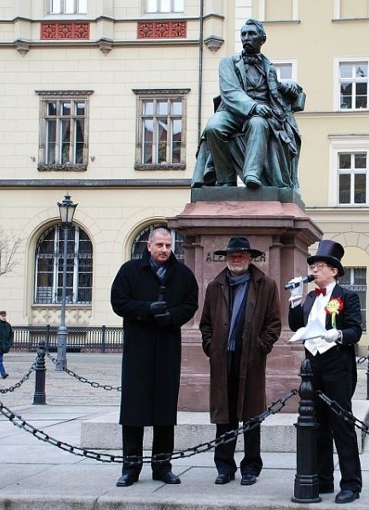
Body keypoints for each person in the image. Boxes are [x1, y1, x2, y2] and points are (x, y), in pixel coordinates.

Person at [110, 227, 198, 487]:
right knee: (134, 410)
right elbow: (118, 302)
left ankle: (162, 466)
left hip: (168, 348)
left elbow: (191, 304)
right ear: (148, 246)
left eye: (168, 245)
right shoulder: (130, 271)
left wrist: (172, 317)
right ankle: (131, 467)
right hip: (139, 349)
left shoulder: (182, 274)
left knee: (164, 411)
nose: (164, 250)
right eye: (159, 245)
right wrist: (146, 309)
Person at [199, 237, 281, 486]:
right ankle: (224, 467)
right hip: (223, 359)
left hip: (251, 359)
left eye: (241, 255)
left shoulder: (265, 285)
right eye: (232, 255)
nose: (236, 259)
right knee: (225, 415)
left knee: (251, 415)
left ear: (250, 258)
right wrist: (211, 347)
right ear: (226, 258)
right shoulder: (216, 286)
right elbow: (206, 324)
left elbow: (274, 323)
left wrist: (261, 346)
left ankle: (251, 467)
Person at [288, 240, 363, 504]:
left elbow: (355, 330)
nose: (315, 270)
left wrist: (338, 334)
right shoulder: (310, 297)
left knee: (342, 426)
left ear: (334, 271)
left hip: (337, 366)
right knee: (316, 425)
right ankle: (323, 479)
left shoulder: (347, 296)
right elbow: (296, 325)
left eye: (320, 266)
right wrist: (295, 300)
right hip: (313, 367)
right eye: (314, 266)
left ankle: (351, 484)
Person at [192, 18, 304, 190]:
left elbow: (277, 91)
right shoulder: (228, 63)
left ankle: (252, 174)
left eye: (251, 34)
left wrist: (290, 88)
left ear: (262, 39)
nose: (246, 38)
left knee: (258, 123)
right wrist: (254, 107)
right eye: (243, 34)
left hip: (262, 114)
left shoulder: (269, 68)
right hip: (233, 110)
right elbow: (230, 92)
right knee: (213, 127)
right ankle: (225, 179)